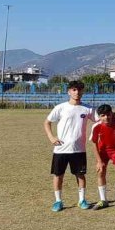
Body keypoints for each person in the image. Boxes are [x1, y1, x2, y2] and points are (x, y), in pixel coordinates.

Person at [44, 80, 99, 211]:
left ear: (83, 91)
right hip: (61, 149)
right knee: (58, 175)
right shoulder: (60, 107)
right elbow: (47, 122)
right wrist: (51, 137)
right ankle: (58, 201)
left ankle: (82, 200)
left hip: (79, 149)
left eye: (79, 90)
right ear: (69, 91)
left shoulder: (88, 109)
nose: (77, 92)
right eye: (74, 90)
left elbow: (100, 120)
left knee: (80, 175)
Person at [90, 104, 115, 209]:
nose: (106, 117)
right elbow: (94, 143)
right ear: (99, 116)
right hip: (103, 150)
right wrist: (99, 161)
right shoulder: (96, 126)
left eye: (108, 114)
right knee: (100, 171)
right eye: (103, 115)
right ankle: (103, 200)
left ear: (112, 114)